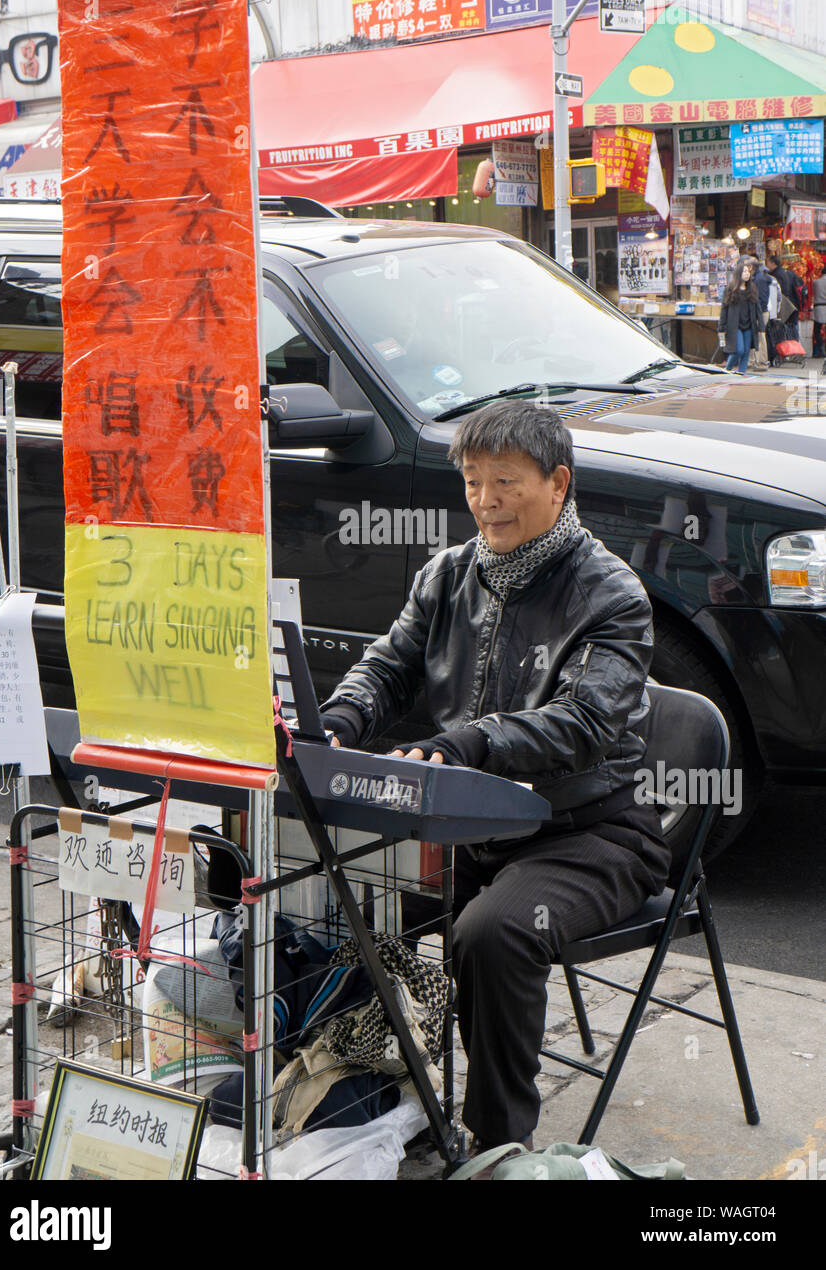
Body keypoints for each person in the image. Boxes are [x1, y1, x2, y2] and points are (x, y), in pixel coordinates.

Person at [319, 401, 671, 1151]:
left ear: (558, 483)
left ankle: (497, 1143)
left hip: (589, 832)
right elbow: (388, 667)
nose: (485, 501)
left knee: (491, 933)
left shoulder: (611, 595)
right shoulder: (448, 574)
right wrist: (335, 725)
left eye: (506, 482)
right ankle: (357, 1099)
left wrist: (469, 742)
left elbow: (585, 723)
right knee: (331, 890)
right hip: (465, 821)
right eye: (474, 481)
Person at [719, 258, 765, 375]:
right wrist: (721, 327)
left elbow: (758, 308)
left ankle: (741, 375)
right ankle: (727, 369)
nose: (747, 274)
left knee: (746, 352)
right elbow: (724, 309)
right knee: (738, 350)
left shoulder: (752, 288)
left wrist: (761, 325)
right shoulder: (730, 289)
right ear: (738, 273)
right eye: (744, 271)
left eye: (748, 272)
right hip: (734, 326)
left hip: (749, 325)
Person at [811, 265, 826, 360]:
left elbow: (813, 294)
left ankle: (821, 346)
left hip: (819, 307)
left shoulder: (816, 282)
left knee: (817, 330)